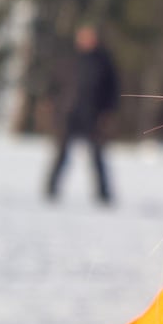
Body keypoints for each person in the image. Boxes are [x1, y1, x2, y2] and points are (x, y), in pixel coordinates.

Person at [44, 24, 119, 204]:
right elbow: (53, 85)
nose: (88, 40)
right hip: (68, 113)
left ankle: (103, 194)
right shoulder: (68, 59)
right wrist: (52, 106)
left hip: (93, 115)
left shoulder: (104, 61)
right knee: (61, 154)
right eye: (84, 36)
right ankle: (50, 190)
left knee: (97, 156)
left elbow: (113, 89)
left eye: (91, 36)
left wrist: (108, 112)